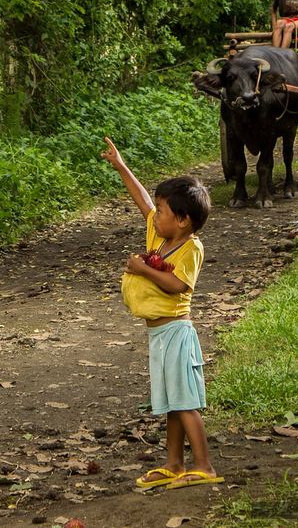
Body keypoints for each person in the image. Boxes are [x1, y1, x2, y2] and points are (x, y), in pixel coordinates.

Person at [100, 137, 223, 491]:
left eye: (163, 210)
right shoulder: (161, 236)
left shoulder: (190, 247)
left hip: (176, 334)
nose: (155, 214)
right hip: (158, 335)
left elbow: (176, 286)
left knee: (186, 403)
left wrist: (142, 270)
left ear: (183, 221)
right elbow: (141, 200)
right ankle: (174, 463)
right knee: (171, 402)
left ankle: (204, 465)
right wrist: (121, 165)